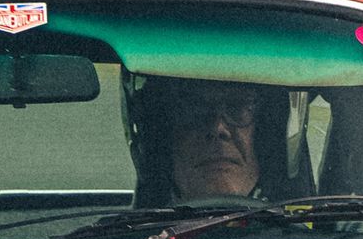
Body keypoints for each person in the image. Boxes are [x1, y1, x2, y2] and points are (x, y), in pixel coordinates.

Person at [125, 76, 293, 206]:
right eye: (194, 110)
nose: (217, 128)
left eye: (237, 108)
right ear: (162, 139)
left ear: (266, 136)